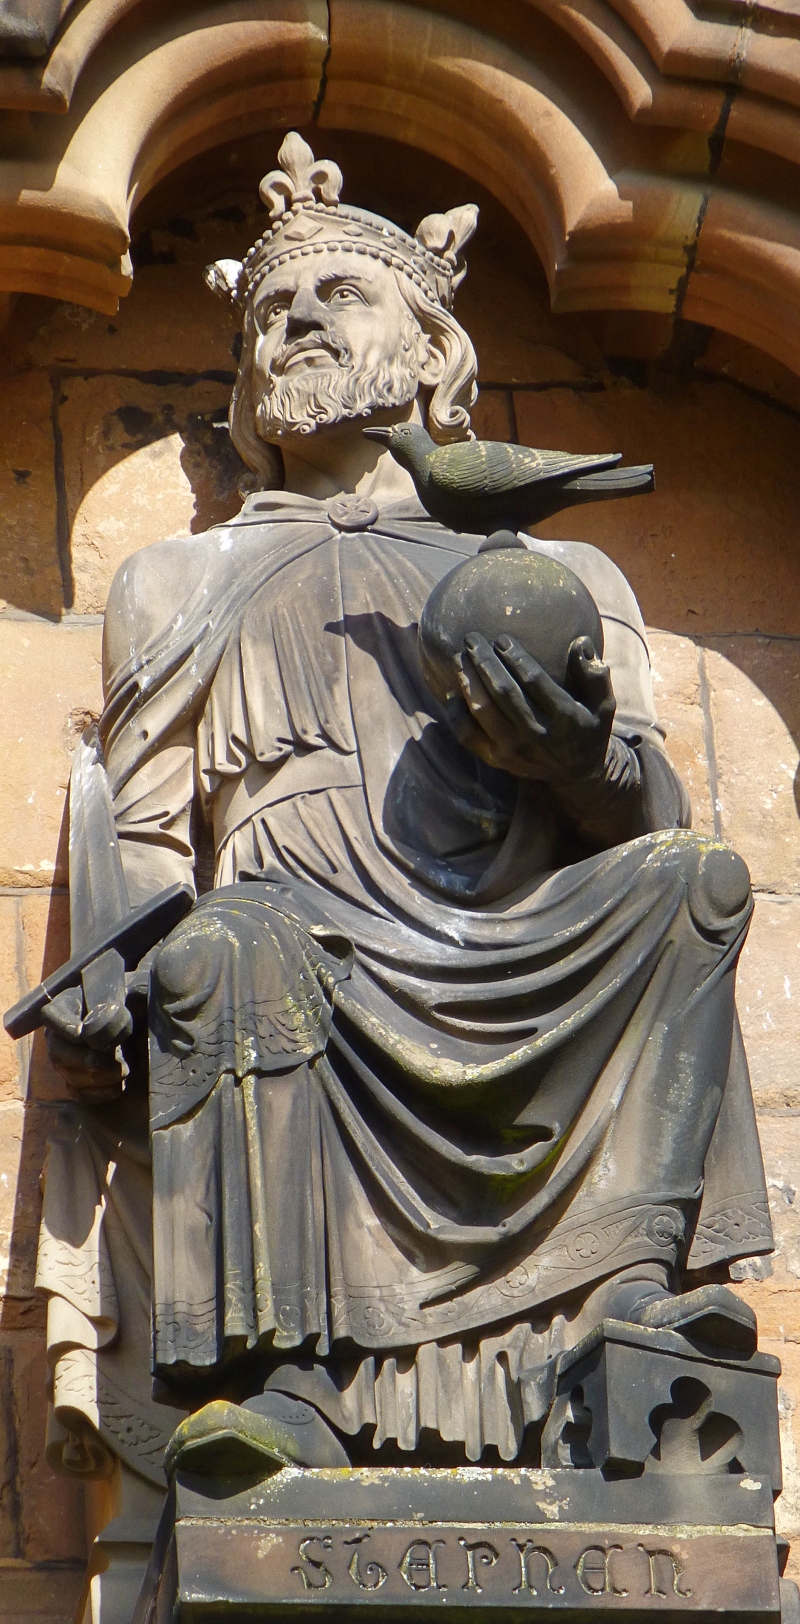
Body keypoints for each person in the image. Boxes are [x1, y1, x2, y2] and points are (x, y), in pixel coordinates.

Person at [38, 133, 772, 1483]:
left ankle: (631, 1316)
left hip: (518, 951)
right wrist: (111, 981)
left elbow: (645, 806)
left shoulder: (555, 569)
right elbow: (148, 846)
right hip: (293, 948)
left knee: (693, 884)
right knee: (224, 947)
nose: (299, 320)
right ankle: (290, 1385)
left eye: (339, 295)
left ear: (435, 353)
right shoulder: (176, 580)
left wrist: (573, 765)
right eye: (273, 308)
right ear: (251, 372)